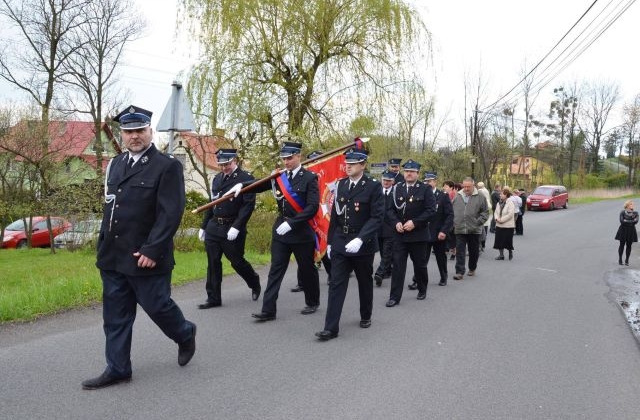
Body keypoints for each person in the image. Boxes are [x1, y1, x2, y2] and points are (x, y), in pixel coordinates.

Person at [83, 105, 196, 390]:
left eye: (139, 131)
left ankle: (184, 333)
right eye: (128, 131)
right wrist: (102, 243)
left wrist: (152, 249)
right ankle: (118, 368)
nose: (134, 136)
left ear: (150, 132)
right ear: (122, 134)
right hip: (113, 256)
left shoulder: (167, 166)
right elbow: (111, 207)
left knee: (157, 307)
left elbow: (170, 213)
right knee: (115, 316)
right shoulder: (116, 164)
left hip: (146, 256)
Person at [227, 141, 320, 321]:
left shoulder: (309, 178)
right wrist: (242, 185)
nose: (286, 162)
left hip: (301, 232)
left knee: (307, 269)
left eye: (289, 158)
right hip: (281, 231)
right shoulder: (279, 177)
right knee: (275, 269)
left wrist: (293, 223)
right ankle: (268, 310)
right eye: (284, 159)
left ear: (298, 156)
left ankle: (312, 301)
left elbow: (312, 207)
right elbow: (259, 185)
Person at [315, 148, 383, 340]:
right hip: (340, 242)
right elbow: (335, 216)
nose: (348, 167)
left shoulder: (373, 186)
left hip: (362, 244)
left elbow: (377, 217)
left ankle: (365, 314)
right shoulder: (341, 185)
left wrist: (361, 238)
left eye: (352, 164)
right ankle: (330, 328)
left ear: (363, 165)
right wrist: (330, 242)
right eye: (347, 163)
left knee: (364, 281)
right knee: (336, 284)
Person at [197, 149, 261, 309]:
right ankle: (213, 298)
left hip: (232, 227)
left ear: (235, 161)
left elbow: (248, 206)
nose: (224, 167)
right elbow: (212, 204)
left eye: (227, 164)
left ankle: (254, 282)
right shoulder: (217, 179)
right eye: (221, 164)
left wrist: (237, 227)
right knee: (213, 263)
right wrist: (203, 226)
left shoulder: (245, 178)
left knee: (237, 262)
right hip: (214, 227)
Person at [385, 159, 436, 307]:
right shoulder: (397, 188)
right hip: (400, 235)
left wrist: (415, 222)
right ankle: (394, 297)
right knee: (398, 266)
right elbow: (389, 210)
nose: (409, 174)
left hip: (418, 235)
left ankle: (422, 288)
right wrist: (396, 223)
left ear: (417, 174)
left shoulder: (425, 189)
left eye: (412, 172)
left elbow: (431, 210)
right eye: (406, 171)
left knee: (419, 265)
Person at [293, 150, 332, 290]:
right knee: (303, 252)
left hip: (320, 211)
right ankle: (302, 282)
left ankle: (332, 275)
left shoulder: (324, 172)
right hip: (304, 215)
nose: (314, 162)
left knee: (323, 244)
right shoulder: (303, 173)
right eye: (312, 160)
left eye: (316, 159)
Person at [451, 177, 489, 280]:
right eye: (465, 186)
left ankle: (472, 268)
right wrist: (453, 222)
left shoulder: (480, 196)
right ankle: (459, 272)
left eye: (469, 186)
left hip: (474, 229)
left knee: (473, 251)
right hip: (459, 228)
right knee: (460, 251)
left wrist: (478, 222)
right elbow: (451, 210)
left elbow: (485, 212)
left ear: (473, 185)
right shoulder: (458, 196)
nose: (466, 189)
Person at [423, 172, 453, 286]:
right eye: (426, 181)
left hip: (438, 233)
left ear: (435, 182)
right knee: (421, 259)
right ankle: (417, 280)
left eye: (430, 181)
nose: (428, 183)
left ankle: (443, 277)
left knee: (440, 257)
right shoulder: (422, 195)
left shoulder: (443, 196)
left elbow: (449, 215)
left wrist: (444, 231)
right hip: (424, 232)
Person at [373, 170, 396, 286]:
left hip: (391, 228)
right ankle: (388, 270)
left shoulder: (396, 193)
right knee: (383, 251)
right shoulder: (377, 192)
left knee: (387, 252)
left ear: (393, 181)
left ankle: (380, 273)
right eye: (384, 180)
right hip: (378, 228)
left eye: (388, 180)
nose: (386, 182)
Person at [493, 187, 516, 261]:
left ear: (506, 195)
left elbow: (510, 214)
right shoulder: (498, 203)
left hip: (508, 226)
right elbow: (496, 212)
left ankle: (510, 251)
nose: (500, 195)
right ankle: (501, 255)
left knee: (507, 241)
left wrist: (501, 220)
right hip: (499, 225)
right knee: (499, 240)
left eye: (501, 194)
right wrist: (496, 218)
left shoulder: (510, 203)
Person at [615, 200, 639, 266]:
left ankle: (627, 260)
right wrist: (631, 220)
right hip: (623, 230)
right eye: (631, 204)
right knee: (622, 245)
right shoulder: (622, 212)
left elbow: (636, 221)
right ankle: (620, 259)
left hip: (631, 230)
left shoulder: (636, 213)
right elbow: (622, 221)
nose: (633, 205)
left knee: (629, 245)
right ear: (627, 205)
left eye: (633, 204)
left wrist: (626, 220)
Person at [443, 180, 458, 260]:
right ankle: (446, 250)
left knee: (452, 237)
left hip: (453, 219)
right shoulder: (445, 194)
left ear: (451, 187)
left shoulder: (454, 195)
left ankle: (454, 252)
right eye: (444, 186)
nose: (444, 188)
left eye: (446, 186)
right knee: (447, 235)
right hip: (446, 218)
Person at [476, 181, 492, 252]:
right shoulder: (486, 191)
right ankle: (483, 245)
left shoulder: (480, 192)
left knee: (481, 232)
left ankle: (480, 246)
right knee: (484, 231)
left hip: (480, 218)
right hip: (485, 217)